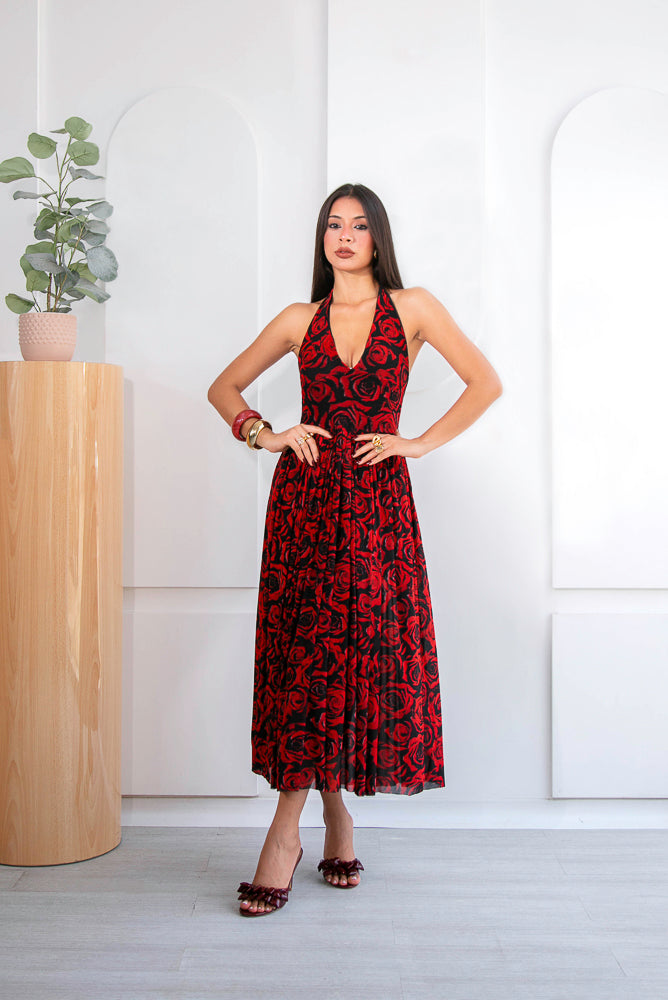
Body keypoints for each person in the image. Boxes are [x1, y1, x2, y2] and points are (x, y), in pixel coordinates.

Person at [207, 182, 502, 917]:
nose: (344, 236)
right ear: (322, 238)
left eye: (359, 225)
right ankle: (302, 829)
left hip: (377, 508)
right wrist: (267, 434)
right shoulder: (297, 319)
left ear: (378, 238)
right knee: (308, 660)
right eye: (334, 224)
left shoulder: (414, 308)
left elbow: (485, 383)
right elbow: (224, 388)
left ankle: (316, 825)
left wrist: (416, 443)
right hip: (304, 507)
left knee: (354, 658)